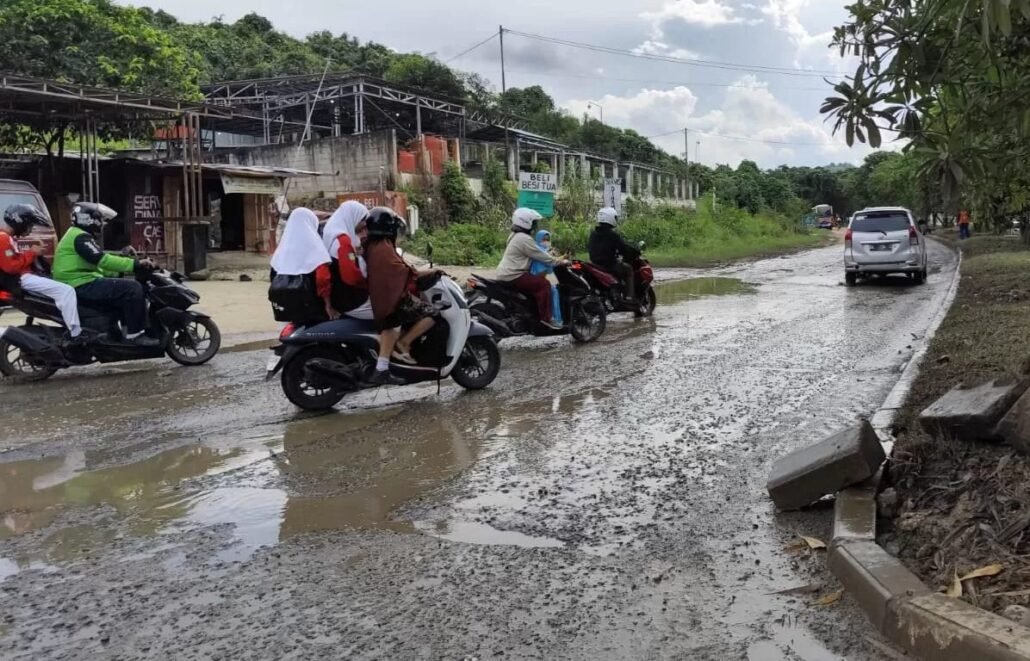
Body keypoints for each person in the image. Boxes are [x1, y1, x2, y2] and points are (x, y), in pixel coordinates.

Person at [52, 202, 159, 347]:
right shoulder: (80, 237)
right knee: (133, 288)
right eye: (100, 220)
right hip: (80, 284)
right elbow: (102, 259)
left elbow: (96, 264)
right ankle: (135, 335)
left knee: (123, 289)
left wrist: (118, 271)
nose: (102, 224)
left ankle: (123, 332)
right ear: (88, 220)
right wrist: (135, 264)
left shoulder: (76, 235)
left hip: (79, 281)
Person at [323, 202, 406, 386]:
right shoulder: (342, 240)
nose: (364, 225)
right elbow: (351, 276)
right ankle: (382, 369)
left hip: (341, 296)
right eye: (362, 220)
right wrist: (367, 283)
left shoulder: (332, 233)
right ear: (352, 217)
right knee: (393, 316)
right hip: (352, 299)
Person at [364, 207, 440, 382]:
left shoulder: (372, 244)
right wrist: (428, 272)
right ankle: (404, 343)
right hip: (386, 299)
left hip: (379, 294)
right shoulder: (383, 247)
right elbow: (403, 271)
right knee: (432, 313)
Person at [0, 205, 82, 342]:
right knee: (66, 291)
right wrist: (32, 252)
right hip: (22, 278)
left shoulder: (9, 238)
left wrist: (33, 253)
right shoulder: (3, 238)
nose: (30, 228)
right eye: (29, 224)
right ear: (20, 221)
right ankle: (76, 333)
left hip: (23, 277)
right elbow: (11, 266)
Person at [495, 208, 563, 330]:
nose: (535, 226)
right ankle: (546, 319)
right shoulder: (524, 239)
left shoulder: (514, 235)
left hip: (505, 273)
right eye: (534, 222)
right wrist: (560, 261)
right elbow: (541, 256)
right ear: (526, 223)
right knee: (544, 285)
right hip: (514, 274)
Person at [269, 208, 336, 323]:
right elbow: (322, 280)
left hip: (286, 310)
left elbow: (273, 277)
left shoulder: (281, 252)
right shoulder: (316, 249)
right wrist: (328, 305)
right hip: (313, 309)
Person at [588, 207, 640, 303]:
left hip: (595, 265)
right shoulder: (612, 235)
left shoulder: (593, 234)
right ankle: (629, 297)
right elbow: (622, 248)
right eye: (615, 217)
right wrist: (624, 255)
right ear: (610, 218)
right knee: (628, 269)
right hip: (609, 265)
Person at [529, 229, 563, 327]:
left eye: (548, 240)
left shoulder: (542, 249)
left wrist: (560, 258)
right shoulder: (539, 251)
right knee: (554, 291)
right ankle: (555, 319)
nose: (546, 242)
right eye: (544, 240)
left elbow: (550, 262)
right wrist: (560, 260)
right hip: (537, 278)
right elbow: (549, 263)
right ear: (539, 239)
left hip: (538, 278)